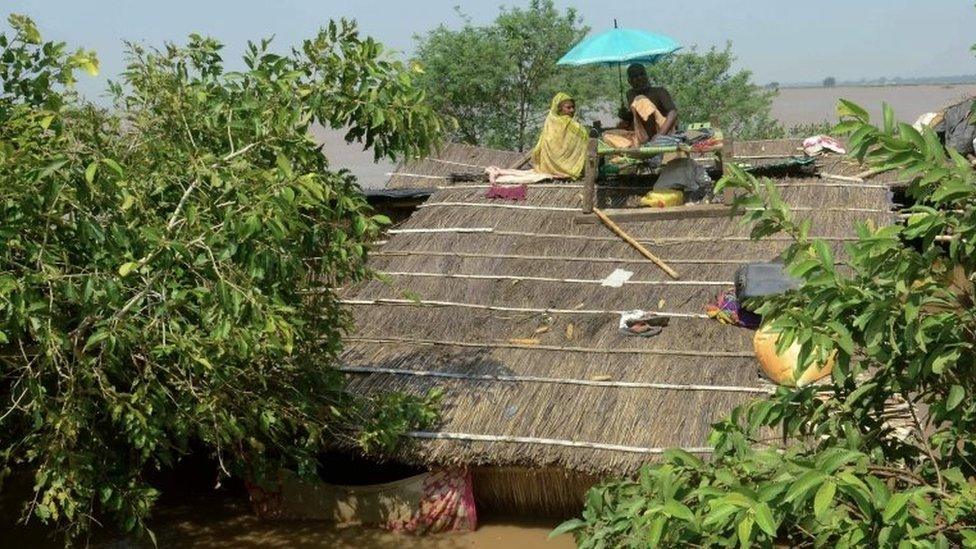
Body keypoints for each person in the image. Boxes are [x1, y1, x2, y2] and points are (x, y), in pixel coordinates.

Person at [602, 64, 678, 148]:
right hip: (639, 135)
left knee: (640, 99)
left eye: (642, 74)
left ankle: (645, 141)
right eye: (635, 76)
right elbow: (636, 117)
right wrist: (625, 116)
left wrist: (660, 135)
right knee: (606, 135)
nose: (639, 78)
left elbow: (673, 112)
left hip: (661, 134)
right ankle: (634, 145)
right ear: (629, 81)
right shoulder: (630, 94)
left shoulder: (659, 92)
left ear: (646, 76)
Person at [529, 92, 589, 179]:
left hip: (546, 168)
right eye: (568, 108)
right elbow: (585, 138)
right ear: (560, 109)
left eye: (573, 107)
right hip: (570, 169)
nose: (572, 110)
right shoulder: (572, 125)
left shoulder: (550, 120)